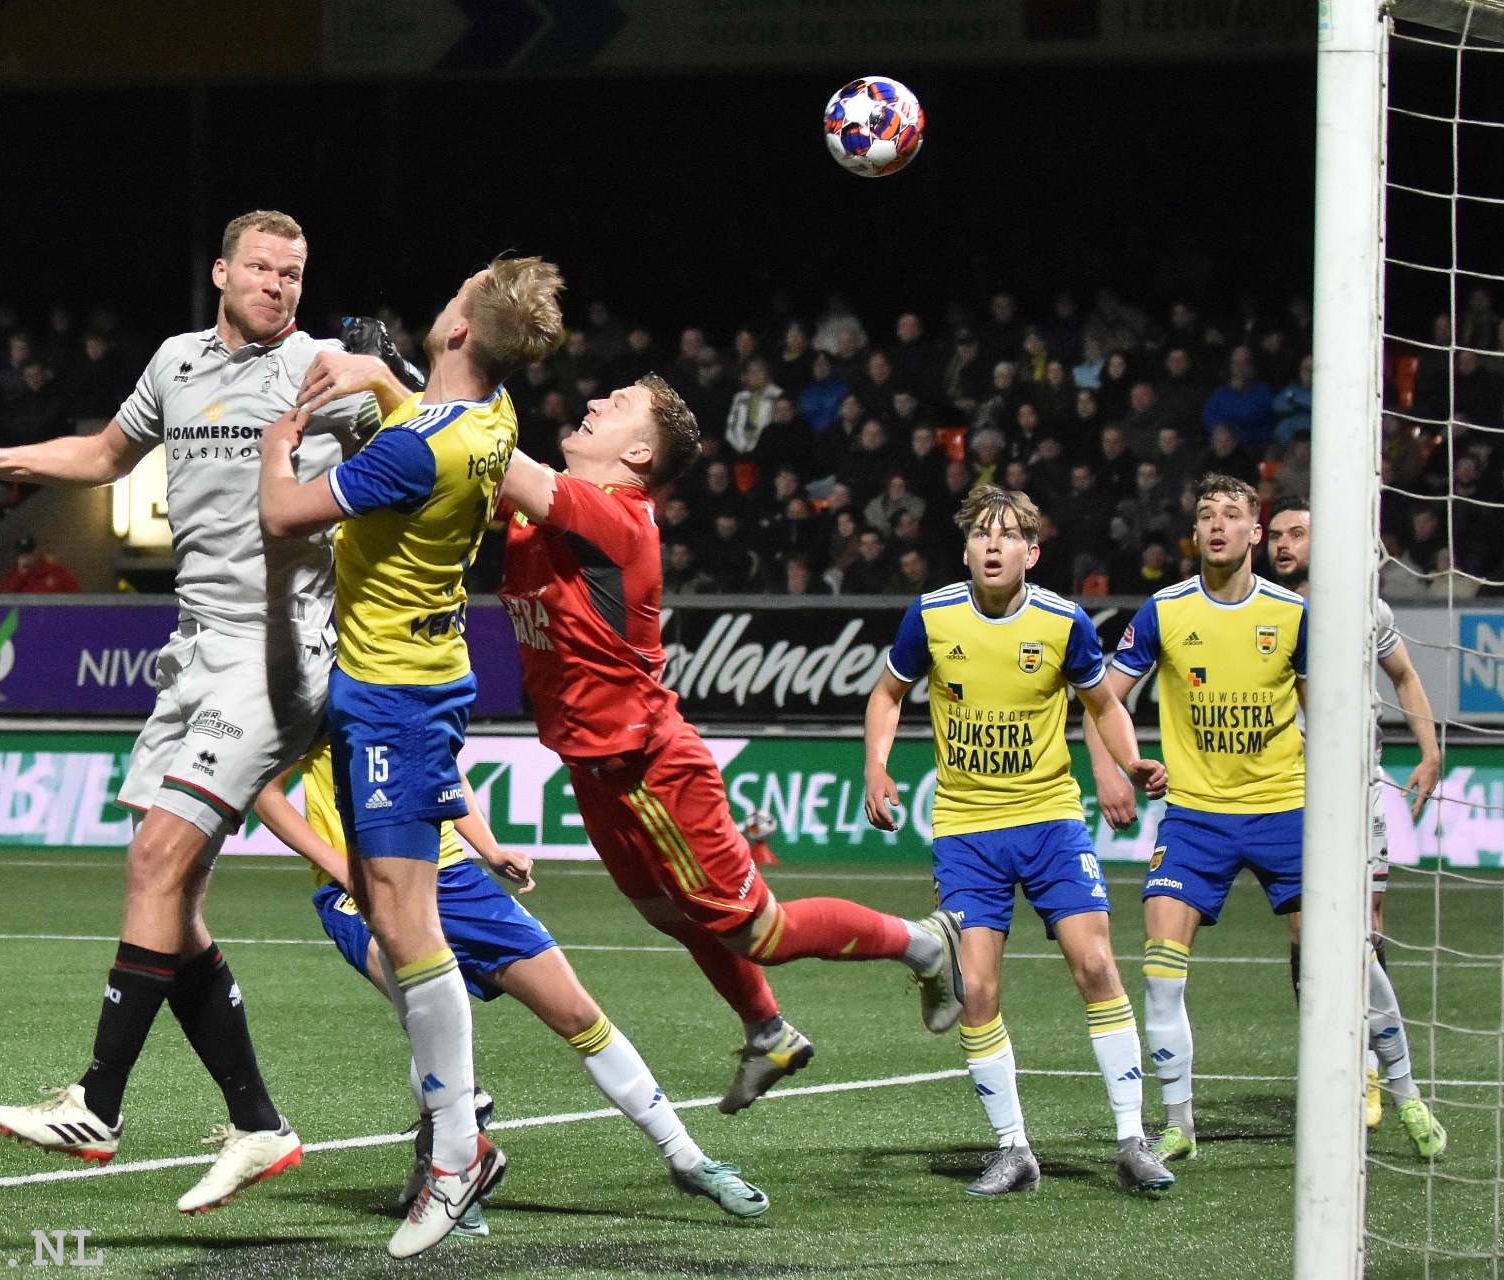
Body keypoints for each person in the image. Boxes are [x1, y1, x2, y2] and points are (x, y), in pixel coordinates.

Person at [0, 211, 374, 1215]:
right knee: (171, 899)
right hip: (193, 651)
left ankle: (97, 1102)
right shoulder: (176, 362)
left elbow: (425, 443)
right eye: (264, 268)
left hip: (275, 656)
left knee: (155, 860)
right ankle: (259, 1119)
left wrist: (400, 385)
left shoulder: (324, 366)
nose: (279, 285)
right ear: (223, 272)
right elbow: (105, 455)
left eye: (296, 273)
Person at [489, 376, 964, 1115]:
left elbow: (483, 449)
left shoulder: (617, 517)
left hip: (651, 768)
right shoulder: (539, 514)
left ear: (640, 451)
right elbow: (457, 476)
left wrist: (400, 381)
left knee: (759, 931)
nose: (588, 405)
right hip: (592, 770)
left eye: (612, 407)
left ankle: (926, 944)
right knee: (665, 913)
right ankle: (768, 1030)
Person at [257, 256, 566, 1257]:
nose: (442, 302)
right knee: (402, 918)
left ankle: (456, 1146)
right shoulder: (497, 416)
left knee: (403, 923)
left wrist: (276, 441)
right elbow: (427, 411)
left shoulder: (416, 455)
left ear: (462, 333)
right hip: (421, 682)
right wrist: (386, 382)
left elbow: (283, 516)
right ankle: (455, 1129)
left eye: (457, 296)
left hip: (389, 699)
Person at [253, 742, 768, 1233]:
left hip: (451, 876)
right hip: (361, 892)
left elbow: (446, 775)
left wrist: (490, 848)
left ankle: (688, 1159)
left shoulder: (427, 685)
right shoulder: (329, 687)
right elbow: (265, 791)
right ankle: (448, 1182)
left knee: (578, 1015)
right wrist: (341, 867)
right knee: (433, 1016)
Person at [863, 485, 1175, 1196]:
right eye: (981, 534)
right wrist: (876, 767)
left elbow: (1104, 704)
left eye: (1008, 536)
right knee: (977, 989)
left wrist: (1132, 762)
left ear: (1032, 552)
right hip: (968, 831)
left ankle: (1132, 1139)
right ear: (967, 549)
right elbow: (888, 694)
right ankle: (1013, 1149)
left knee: (1096, 967)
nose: (993, 545)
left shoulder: (1064, 622)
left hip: (1051, 822)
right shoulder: (933, 616)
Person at [1083, 474, 1312, 1163]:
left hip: (1285, 809)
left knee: (1332, 960)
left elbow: (1324, 709)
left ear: (1255, 533)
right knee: (1160, 969)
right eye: (1206, 514)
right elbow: (1103, 697)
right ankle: (1179, 1121)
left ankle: (1379, 1082)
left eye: (1232, 514)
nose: (1217, 524)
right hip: (1195, 819)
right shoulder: (1164, 611)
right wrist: (1109, 771)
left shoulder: (1293, 614)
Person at [1264, 498, 1448, 1156]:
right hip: (1292, 794)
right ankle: (1338, 1064)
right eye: (1277, 534)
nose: (1283, 544)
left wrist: (1429, 750)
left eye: (1297, 533)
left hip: (1360, 790)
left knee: (1367, 932)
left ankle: (1371, 1072)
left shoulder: (1367, 607)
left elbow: (1403, 675)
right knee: (1307, 934)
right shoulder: (1266, 611)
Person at [0, 535, 82, 593]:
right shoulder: (15, 575)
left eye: (29, 553)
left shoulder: (56, 571)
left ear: (36, 552)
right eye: (22, 554)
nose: (26, 557)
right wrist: (21, 574)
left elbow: (76, 595)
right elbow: (2, 597)